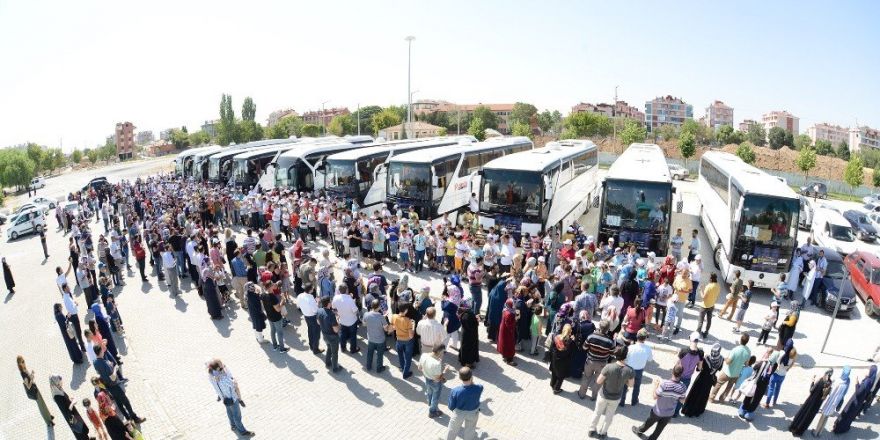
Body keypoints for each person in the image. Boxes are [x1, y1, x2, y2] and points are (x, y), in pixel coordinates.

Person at [589, 345, 634, 438]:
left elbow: (598, 381)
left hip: (603, 395)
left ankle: (591, 430)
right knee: (609, 416)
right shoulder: (630, 370)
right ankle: (603, 433)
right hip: (616, 397)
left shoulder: (608, 367)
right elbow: (631, 385)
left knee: (597, 413)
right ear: (626, 356)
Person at [92, 344, 145, 424]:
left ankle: (128, 419)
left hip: (108, 387)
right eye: (102, 350)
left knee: (119, 403)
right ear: (100, 351)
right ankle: (135, 418)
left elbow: (98, 372)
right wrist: (115, 369)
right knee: (126, 401)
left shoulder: (95, 362)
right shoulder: (105, 364)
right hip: (114, 385)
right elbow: (112, 377)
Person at [632, 364, 687, 440]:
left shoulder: (665, 384)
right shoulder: (683, 387)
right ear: (681, 374)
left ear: (672, 371)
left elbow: (655, 396)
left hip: (658, 411)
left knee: (649, 423)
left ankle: (639, 431)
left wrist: (655, 385)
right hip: (669, 413)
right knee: (659, 429)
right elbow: (682, 400)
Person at [207, 359, 255, 437]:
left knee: (229, 411)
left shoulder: (211, 375)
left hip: (224, 398)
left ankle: (233, 425)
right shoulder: (223, 379)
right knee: (237, 415)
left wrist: (221, 371)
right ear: (218, 368)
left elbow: (207, 365)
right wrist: (234, 380)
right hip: (232, 398)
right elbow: (234, 384)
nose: (223, 364)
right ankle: (242, 431)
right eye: (221, 364)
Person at [682, 342, 724, 417]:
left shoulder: (707, 357)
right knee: (703, 395)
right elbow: (720, 369)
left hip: (701, 378)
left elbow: (699, 368)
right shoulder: (721, 359)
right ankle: (698, 411)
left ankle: (689, 410)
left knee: (695, 393)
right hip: (710, 380)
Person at [788, 369, 833, 436]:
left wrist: (812, 381)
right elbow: (827, 395)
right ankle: (799, 431)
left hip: (810, 401)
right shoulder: (829, 384)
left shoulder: (821, 380)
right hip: (817, 404)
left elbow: (811, 390)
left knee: (803, 413)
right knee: (808, 417)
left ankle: (794, 427)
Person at [833, 364, 876, 434]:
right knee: (850, 416)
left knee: (846, 413)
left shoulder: (867, 381)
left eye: (869, 370)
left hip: (855, 401)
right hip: (859, 401)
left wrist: (856, 383)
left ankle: (838, 428)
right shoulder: (871, 380)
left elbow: (858, 393)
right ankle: (843, 428)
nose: (867, 370)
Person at [579, 319, 616, 401]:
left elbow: (584, 347)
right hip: (602, 364)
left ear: (599, 327)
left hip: (590, 361)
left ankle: (582, 394)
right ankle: (594, 397)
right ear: (608, 329)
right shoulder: (610, 341)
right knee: (598, 381)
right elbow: (612, 354)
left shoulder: (591, 336)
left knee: (586, 377)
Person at [711, 333, 751, 403]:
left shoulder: (735, 350)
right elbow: (746, 364)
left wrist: (725, 358)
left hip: (728, 372)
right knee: (729, 387)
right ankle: (722, 399)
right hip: (736, 373)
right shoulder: (748, 351)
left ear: (740, 340)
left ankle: (711, 398)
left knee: (718, 384)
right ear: (747, 342)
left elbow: (728, 362)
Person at [738, 347, 774, 422]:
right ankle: (749, 414)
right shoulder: (773, 365)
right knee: (756, 400)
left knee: (749, 396)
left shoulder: (762, 363)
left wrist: (761, 360)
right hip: (762, 385)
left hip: (755, 382)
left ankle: (743, 410)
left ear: (767, 353)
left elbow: (754, 368)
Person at [446, 367, 483, 440]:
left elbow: (451, 406)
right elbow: (475, 387)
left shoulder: (455, 390)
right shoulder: (479, 388)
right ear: (471, 377)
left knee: (452, 430)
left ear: (460, 377)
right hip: (473, 413)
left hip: (459, 413)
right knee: (470, 430)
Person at [49, 375, 90, 439]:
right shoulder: (57, 397)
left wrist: (69, 399)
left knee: (83, 431)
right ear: (56, 383)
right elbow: (66, 412)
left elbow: (65, 400)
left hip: (74, 415)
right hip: (72, 419)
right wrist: (72, 403)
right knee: (81, 434)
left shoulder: (58, 389)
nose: (61, 383)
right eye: (60, 382)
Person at [17, 356, 54, 427]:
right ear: (20, 364)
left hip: (35, 388)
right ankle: (48, 422)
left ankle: (49, 415)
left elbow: (30, 378)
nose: (24, 362)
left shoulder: (25, 369)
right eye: (22, 362)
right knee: (41, 407)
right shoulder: (23, 374)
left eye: (24, 361)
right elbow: (28, 386)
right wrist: (32, 377)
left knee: (43, 403)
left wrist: (31, 374)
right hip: (33, 391)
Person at [813, 366, 851, 436]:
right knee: (826, 417)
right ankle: (820, 432)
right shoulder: (847, 381)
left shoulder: (838, 381)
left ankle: (816, 432)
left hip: (830, 402)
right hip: (835, 404)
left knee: (823, 417)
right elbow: (844, 393)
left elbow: (830, 392)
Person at [620, 329, 652, 407]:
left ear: (637, 337)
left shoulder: (631, 347)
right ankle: (634, 401)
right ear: (645, 338)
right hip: (639, 370)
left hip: (628, 369)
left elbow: (625, 358)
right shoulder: (648, 348)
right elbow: (650, 359)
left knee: (624, 386)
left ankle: (621, 402)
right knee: (637, 386)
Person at [418, 344, 450, 418]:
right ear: (440, 352)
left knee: (429, 392)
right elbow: (437, 378)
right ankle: (432, 411)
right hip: (435, 383)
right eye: (443, 352)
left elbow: (419, 368)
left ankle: (429, 402)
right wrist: (445, 371)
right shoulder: (437, 363)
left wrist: (427, 372)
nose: (443, 354)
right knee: (435, 397)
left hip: (426, 379)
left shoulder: (424, 355)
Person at [764, 338, 796, 408]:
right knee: (778, 388)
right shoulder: (792, 357)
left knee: (771, 388)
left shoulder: (781, 353)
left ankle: (767, 403)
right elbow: (789, 368)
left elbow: (776, 362)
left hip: (775, 374)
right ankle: (774, 402)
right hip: (783, 375)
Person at [363, 299, 390, 372]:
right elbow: (386, 329)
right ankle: (379, 368)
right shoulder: (381, 317)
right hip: (380, 340)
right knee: (380, 355)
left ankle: (368, 366)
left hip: (370, 338)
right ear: (378, 307)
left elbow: (364, 324)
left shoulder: (366, 314)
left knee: (370, 353)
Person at [332, 285, 360, 353]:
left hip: (342, 320)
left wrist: (338, 314)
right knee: (353, 335)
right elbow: (355, 311)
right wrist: (354, 302)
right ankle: (353, 349)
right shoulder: (350, 300)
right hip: (352, 321)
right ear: (347, 290)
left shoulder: (335, 297)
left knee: (342, 334)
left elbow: (333, 308)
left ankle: (343, 348)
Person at [317, 296, 341, 372]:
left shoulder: (319, 310)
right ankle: (335, 368)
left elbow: (318, 322)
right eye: (331, 301)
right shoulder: (331, 314)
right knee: (334, 353)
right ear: (329, 303)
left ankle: (327, 363)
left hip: (324, 335)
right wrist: (338, 321)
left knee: (329, 348)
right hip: (333, 337)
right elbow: (336, 330)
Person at [261, 283, 288, 352]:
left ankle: (275, 346)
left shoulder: (263, 294)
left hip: (269, 317)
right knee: (280, 332)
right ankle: (282, 349)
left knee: (272, 331)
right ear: (270, 287)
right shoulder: (272, 297)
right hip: (276, 317)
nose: (274, 285)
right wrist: (282, 299)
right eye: (272, 285)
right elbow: (278, 309)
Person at [392, 303, 416, 378]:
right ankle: (405, 374)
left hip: (399, 340)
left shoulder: (394, 316)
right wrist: (413, 326)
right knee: (408, 358)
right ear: (406, 310)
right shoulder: (408, 321)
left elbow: (393, 328)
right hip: (408, 341)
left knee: (400, 356)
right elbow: (411, 336)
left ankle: (402, 368)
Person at [296, 286, 322, 354]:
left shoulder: (300, 295)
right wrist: (318, 302)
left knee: (310, 330)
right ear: (310, 290)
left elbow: (298, 305)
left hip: (306, 316)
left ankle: (311, 345)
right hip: (313, 317)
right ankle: (315, 349)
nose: (313, 289)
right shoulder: (310, 298)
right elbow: (315, 310)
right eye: (312, 288)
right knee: (316, 333)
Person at [549, 324, 574, 394]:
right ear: (570, 331)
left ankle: (552, 384)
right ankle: (556, 389)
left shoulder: (556, 337)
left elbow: (551, 348)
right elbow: (571, 352)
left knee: (554, 372)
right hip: (563, 361)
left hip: (555, 358)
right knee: (561, 376)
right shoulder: (570, 341)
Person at [695, 273, 720, 338]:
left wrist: (701, 290)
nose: (708, 279)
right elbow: (716, 296)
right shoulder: (718, 285)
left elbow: (703, 297)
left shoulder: (709, 286)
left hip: (704, 306)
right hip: (711, 305)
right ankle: (706, 333)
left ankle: (697, 334)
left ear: (711, 279)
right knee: (709, 321)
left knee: (701, 321)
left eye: (709, 278)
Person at [458, 298, 480, 367]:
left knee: (464, 347)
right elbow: (471, 326)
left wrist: (475, 318)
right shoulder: (467, 315)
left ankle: (463, 359)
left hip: (465, 334)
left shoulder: (464, 313)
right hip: (470, 335)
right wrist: (477, 321)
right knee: (469, 348)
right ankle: (468, 363)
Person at [497, 298, 518, 366]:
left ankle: (504, 355)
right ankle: (509, 359)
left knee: (504, 343)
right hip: (507, 331)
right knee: (509, 344)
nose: (514, 305)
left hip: (503, 329)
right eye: (513, 304)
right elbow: (510, 325)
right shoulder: (509, 314)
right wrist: (516, 319)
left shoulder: (505, 310)